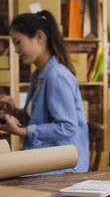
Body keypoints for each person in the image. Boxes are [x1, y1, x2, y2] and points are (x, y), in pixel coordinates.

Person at [0, 10, 89, 174]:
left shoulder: (57, 76)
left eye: (18, 42)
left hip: (65, 164)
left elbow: (67, 126)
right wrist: (13, 111)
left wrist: (21, 131)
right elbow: (39, 119)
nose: (16, 50)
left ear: (39, 38)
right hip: (45, 155)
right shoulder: (37, 75)